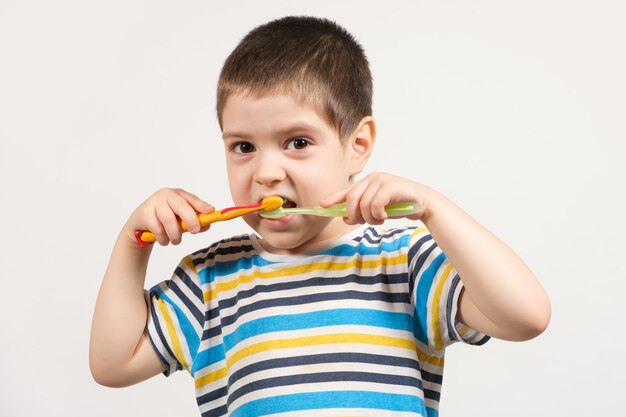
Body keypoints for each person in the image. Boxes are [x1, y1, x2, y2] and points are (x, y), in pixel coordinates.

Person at [89, 16, 550, 417]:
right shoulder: (210, 280)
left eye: (298, 142)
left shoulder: (404, 263)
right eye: (243, 147)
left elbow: (525, 317)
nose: (267, 173)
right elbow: (113, 365)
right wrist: (134, 243)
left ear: (358, 145)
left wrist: (434, 208)